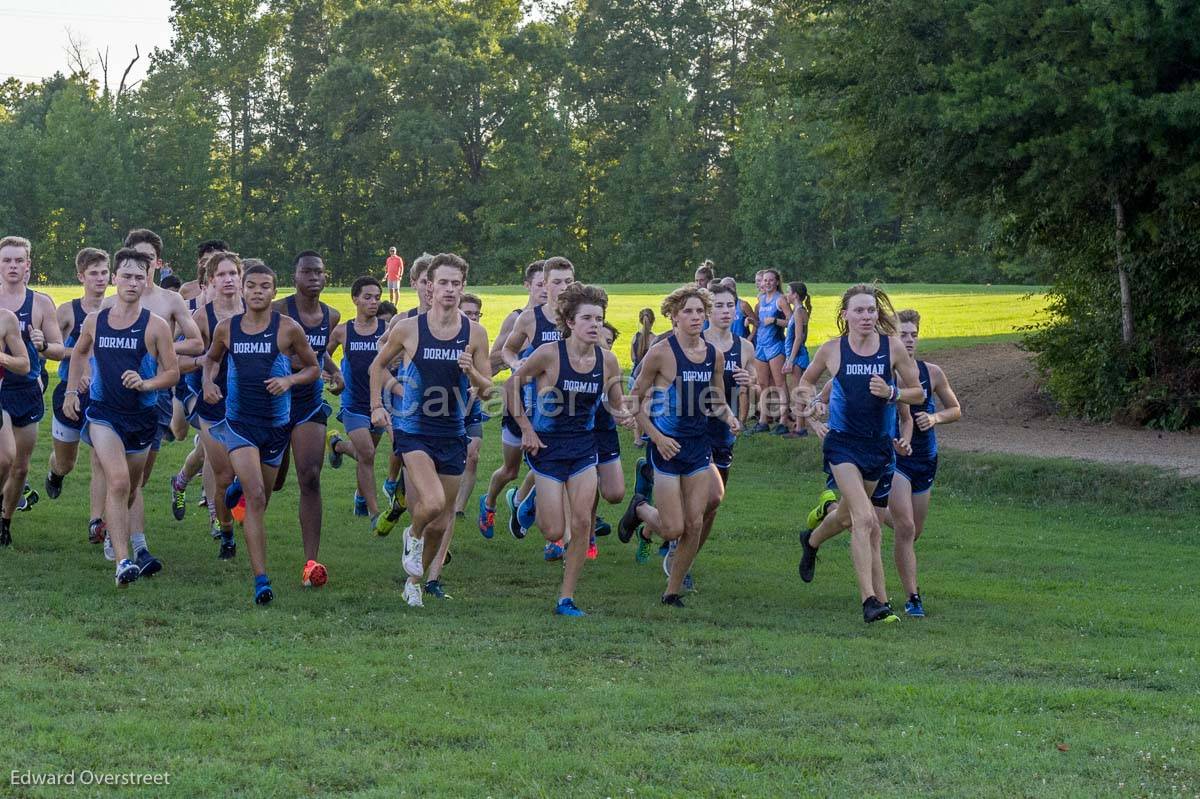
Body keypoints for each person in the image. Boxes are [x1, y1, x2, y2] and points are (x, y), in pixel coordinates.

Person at [793, 284, 924, 624]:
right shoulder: (832, 350)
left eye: (871, 310)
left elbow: (917, 393)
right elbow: (804, 383)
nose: (867, 316)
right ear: (845, 315)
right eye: (859, 310)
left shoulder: (892, 348)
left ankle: (812, 539)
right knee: (865, 520)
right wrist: (810, 404)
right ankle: (870, 602)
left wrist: (892, 392)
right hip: (842, 444)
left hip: (877, 448)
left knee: (847, 516)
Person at [369, 253, 492, 606]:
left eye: (456, 283)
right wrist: (377, 405)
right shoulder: (408, 329)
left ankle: (414, 582)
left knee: (442, 522)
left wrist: (472, 373)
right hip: (413, 429)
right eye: (443, 283)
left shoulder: (475, 333)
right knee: (433, 503)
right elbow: (377, 365)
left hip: (453, 431)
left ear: (462, 287)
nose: (449, 289)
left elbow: (486, 391)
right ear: (430, 287)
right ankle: (412, 531)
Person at [508, 282, 628, 616]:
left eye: (599, 319)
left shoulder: (608, 360)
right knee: (553, 530)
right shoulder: (549, 353)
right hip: (546, 449)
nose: (595, 325)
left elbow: (617, 405)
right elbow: (511, 385)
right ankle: (528, 500)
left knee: (581, 522)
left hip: (583, 449)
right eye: (587, 318)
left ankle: (566, 597)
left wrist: (627, 416)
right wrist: (527, 429)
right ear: (570, 322)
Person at [204, 263, 319, 604]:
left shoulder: (288, 329)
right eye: (250, 285)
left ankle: (237, 490)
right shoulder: (227, 329)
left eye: (264, 286)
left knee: (262, 499)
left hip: (276, 427)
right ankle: (261, 581)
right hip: (239, 425)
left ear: (274, 291)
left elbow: (313, 368)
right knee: (254, 497)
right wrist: (209, 381)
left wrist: (289, 381)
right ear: (241, 289)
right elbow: (211, 359)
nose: (257, 291)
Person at [63, 248, 179, 586]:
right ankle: (123, 561)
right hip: (103, 415)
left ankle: (127, 540)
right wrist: (72, 391)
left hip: (142, 418)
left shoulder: (155, 326)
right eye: (126, 276)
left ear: (147, 282)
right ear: (115, 278)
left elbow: (172, 373)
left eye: (138, 277)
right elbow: (80, 351)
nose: (131, 282)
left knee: (131, 488)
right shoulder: (96, 319)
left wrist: (147, 383)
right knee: (117, 482)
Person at [618, 284, 739, 608]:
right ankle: (640, 508)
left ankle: (671, 592)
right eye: (688, 311)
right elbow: (634, 402)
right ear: (673, 315)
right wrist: (656, 437)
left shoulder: (715, 354)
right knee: (673, 528)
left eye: (701, 311)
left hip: (698, 446)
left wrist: (729, 417)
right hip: (665, 447)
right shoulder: (661, 353)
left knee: (696, 522)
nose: (696, 317)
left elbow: (715, 398)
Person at [659, 281, 756, 589]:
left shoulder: (745, 347)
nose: (725, 311)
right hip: (688, 430)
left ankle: (684, 557)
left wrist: (748, 384)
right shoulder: (689, 341)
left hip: (722, 431)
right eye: (719, 306)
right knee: (698, 503)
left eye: (731, 305)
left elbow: (749, 389)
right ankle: (673, 547)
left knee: (711, 504)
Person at [498, 257, 577, 555]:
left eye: (568, 281)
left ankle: (554, 532)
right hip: (537, 407)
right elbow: (507, 348)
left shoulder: (578, 317)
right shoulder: (530, 318)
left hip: (572, 406)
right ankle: (557, 535)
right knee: (555, 471)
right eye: (556, 281)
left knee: (566, 472)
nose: (562, 287)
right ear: (544, 284)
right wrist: (514, 362)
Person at [884, 310, 960, 617]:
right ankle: (913, 597)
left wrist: (935, 417)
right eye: (903, 335)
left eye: (914, 334)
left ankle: (849, 513)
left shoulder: (933, 372)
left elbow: (955, 409)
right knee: (905, 527)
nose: (910, 340)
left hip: (926, 458)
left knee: (914, 533)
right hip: (897, 457)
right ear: (893, 338)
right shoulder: (885, 373)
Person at [273, 251, 340, 588]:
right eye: (307, 271)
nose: (314, 277)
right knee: (274, 481)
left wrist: (335, 372)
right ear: (295, 275)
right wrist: (302, 369)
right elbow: (270, 353)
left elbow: (319, 353)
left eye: (319, 272)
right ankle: (239, 496)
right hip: (274, 402)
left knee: (310, 477)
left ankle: (310, 561)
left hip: (309, 404)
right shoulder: (280, 311)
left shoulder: (331, 315)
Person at [173, 252, 244, 555]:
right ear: (211, 280)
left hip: (249, 404)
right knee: (222, 471)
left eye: (233, 274)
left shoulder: (257, 310)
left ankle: (182, 482)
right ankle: (223, 527)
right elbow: (175, 358)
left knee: (248, 474)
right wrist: (203, 364)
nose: (228, 280)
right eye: (222, 275)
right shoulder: (203, 316)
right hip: (212, 400)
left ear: (241, 277)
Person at [0, 236, 65, 543]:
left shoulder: (40, 302)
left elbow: (59, 350)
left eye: (18, 260)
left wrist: (43, 344)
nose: (13, 266)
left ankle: (6, 521)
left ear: (28, 265)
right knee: (4, 457)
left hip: (27, 388)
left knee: (20, 467)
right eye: (7, 260)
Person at [478, 261, 547, 540]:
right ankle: (491, 502)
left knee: (549, 466)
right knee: (510, 469)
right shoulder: (518, 318)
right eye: (539, 284)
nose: (545, 289)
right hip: (518, 403)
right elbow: (495, 358)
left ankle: (550, 533)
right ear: (528, 285)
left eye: (550, 283)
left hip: (552, 408)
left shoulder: (567, 319)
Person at [45, 248, 109, 535]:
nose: (99, 278)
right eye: (93, 273)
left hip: (105, 395)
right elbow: (54, 349)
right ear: (81, 276)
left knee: (102, 457)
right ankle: (54, 473)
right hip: (70, 392)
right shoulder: (68, 311)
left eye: (104, 273)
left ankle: (97, 522)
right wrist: (81, 366)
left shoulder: (116, 309)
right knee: (66, 462)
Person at [326, 276, 386, 528]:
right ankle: (375, 515)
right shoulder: (343, 331)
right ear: (355, 299)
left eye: (377, 297)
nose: (373, 302)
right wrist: (330, 375)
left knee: (364, 455)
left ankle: (338, 446)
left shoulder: (388, 329)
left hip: (380, 403)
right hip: (352, 403)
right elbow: (322, 356)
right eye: (368, 297)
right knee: (368, 454)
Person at [750, 268, 791, 435]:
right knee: (763, 384)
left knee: (780, 384)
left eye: (770, 280)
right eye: (764, 280)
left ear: (776, 282)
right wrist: (751, 320)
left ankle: (783, 421)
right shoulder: (760, 300)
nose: (766, 283)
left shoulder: (780, 300)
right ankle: (763, 420)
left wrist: (775, 320)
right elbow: (760, 323)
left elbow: (791, 321)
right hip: (760, 346)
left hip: (775, 346)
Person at [781, 281, 813, 437]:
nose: (786, 294)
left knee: (798, 393)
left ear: (795, 295)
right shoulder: (797, 311)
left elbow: (799, 337)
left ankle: (801, 429)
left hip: (798, 356)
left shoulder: (799, 312)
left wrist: (790, 360)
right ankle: (800, 426)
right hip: (796, 355)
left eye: (788, 291)